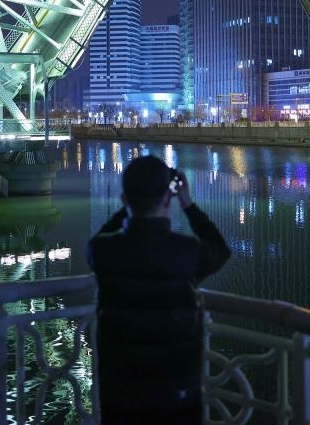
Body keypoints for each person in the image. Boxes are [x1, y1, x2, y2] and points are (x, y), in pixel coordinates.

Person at [87, 155, 230, 424]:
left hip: (120, 394)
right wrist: (188, 205)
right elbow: (221, 249)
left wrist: (130, 208)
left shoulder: (103, 251)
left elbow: (98, 239)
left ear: (125, 199)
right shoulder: (187, 251)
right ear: (168, 199)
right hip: (177, 392)